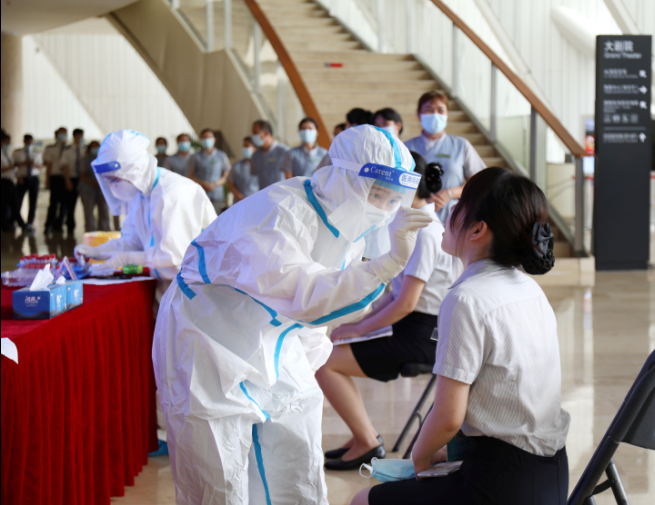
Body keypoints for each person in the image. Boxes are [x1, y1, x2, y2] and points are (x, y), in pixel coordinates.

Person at [153, 125, 432, 505]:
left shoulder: (347, 222)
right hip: (208, 341)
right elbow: (305, 293)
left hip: (275, 340)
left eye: (390, 199)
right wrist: (388, 266)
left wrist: (312, 351)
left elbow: (331, 301)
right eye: (376, 193)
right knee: (217, 470)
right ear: (343, 177)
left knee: (297, 454)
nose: (381, 208)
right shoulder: (281, 212)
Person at [352, 168, 568, 505]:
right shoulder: (529, 288)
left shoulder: (466, 298)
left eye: (461, 203)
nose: (449, 209)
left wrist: (419, 460)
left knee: (363, 500)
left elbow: (448, 416)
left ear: (478, 229)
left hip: (502, 483)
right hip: (549, 475)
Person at [318, 152, 461, 470]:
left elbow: (407, 303)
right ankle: (362, 436)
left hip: (422, 334)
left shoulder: (424, 231)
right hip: (415, 326)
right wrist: (361, 321)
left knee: (324, 363)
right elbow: (395, 294)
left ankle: (367, 440)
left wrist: (357, 329)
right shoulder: (416, 224)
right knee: (331, 349)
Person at [73, 130, 217, 308]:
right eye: (107, 180)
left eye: (114, 179)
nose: (111, 186)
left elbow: (173, 256)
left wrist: (127, 259)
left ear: (133, 170)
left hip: (197, 293)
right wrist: (98, 251)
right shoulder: (140, 193)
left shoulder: (171, 193)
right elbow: (132, 240)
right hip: (170, 288)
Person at [404, 91, 486, 222]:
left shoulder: (461, 145)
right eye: (429, 110)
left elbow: (481, 183)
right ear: (419, 114)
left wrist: (451, 193)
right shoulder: (405, 148)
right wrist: (421, 199)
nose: (435, 115)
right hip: (412, 218)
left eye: (440, 110)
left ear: (447, 114)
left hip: (453, 219)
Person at [187, 128, 231, 214]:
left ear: (214, 139)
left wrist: (214, 184)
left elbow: (226, 175)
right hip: (200, 193)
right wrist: (203, 184)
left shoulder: (221, 155)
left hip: (216, 194)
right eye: (204, 138)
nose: (207, 140)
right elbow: (191, 175)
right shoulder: (195, 156)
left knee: (215, 218)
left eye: (209, 137)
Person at [78, 140, 111, 232]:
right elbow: (83, 175)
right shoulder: (85, 159)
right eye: (93, 147)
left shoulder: (104, 159)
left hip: (102, 190)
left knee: (104, 212)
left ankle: (105, 231)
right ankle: (90, 232)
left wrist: (102, 184)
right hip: (88, 189)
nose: (95, 149)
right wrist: (95, 183)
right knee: (89, 213)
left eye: (97, 147)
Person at [13, 134, 43, 231]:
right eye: (27, 142)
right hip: (22, 178)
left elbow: (41, 167)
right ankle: (18, 221)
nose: (29, 143)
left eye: (30, 142)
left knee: (33, 202)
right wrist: (18, 176)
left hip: (33, 178)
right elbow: (13, 166)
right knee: (17, 201)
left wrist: (33, 164)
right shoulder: (17, 153)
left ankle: (30, 223)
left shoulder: (36, 153)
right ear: (24, 141)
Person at [250, 119, 290, 190]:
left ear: (266, 133)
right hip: (263, 197)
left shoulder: (285, 151)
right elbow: (254, 177)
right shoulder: (255, 155)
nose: (253, 136)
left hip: (282, 196)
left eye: (255, 133)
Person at [43, 127, 69, 233]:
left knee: (64, 203)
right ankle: (49, 224)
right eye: (61, 134)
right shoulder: (50, 148)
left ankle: (59, 225)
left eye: (65, 134)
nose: (63, 136)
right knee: (53, 203)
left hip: (66, 178)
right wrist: (47, 179)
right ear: (56, 135)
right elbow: (48, 165)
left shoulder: (69, 148)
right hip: (55, 177)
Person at [61, 128, 85, 233]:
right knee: (70, 204)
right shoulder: (68, 150)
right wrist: (67, 181)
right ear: (75, 136)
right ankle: (70, 224)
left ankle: (88, 225)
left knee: (86, 203)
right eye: (80, 136)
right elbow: (65, 166)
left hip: (84, 179)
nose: (82, 138)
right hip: (72, 178)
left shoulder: (85, 150)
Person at [1, 132, 26, 232]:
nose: (8, 144)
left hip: (10, 181)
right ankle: (9, 224)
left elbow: (13, 167)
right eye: (6, 142)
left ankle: (15, 223)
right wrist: (11, 167)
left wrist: (18, 176)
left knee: (15, 203)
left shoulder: (6, 153)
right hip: (2, 182)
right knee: (4, 205)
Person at [228, 136, 258, 203]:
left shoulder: (260, 165)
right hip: (238, 202)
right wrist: (240, 197)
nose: (244, 148)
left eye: (247, 146)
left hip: (255, 202)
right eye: (243, 146)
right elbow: (231, 184)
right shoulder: (237, 165)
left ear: (255, 148)